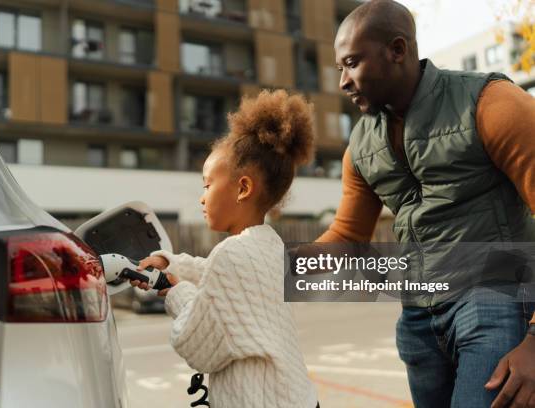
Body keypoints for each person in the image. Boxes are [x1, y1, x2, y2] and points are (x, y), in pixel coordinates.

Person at [318, 0, 535, 407]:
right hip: (419, 318)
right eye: (339, 69)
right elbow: (347, 235)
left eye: (352, 63)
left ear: (397, 50)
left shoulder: (492, 103)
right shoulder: (361, 146)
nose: (343, 82)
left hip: (495, 299)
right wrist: (261, 263)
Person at [133, 90, 320, 408]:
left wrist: (176, 292)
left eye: (207, 185)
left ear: (243, 188)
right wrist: (171, 263)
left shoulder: (232, 256)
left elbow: (196, 344)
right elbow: (218, 275)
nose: (202, 197)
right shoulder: (269, 247)